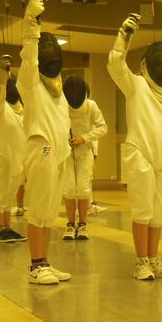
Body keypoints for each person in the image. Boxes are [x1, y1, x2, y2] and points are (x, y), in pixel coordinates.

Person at [107, 16, 162, 280]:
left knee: (159, 214)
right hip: (139, 153)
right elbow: (115, 66)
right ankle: (140, 262)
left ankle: (154, 260)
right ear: (148, 65)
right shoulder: (137, 86)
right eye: (159, 63)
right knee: (142, 211)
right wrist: (124, 36)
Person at [17, 0, 72, 285]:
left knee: (49, 212)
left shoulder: (59, 87)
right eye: (45, 52)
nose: (50, 57)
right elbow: (29, 55)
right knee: (38, 209)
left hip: (59, 152)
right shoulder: (30, 80)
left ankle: (45, 262)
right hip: (41, 148)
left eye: (53, 51)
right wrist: (31, 23)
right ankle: (36, 266)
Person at [61, 76, 107, 241]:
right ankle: (70, 224)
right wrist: (64, 139)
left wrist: (84, 138)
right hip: (66, 153)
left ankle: (82, 225)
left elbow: (103, 127)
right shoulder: (61, 105)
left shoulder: (91, 105)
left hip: (85, 152)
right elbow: (55, 126)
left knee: (82, 188)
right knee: (69, 189)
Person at [0, 55, 27, 244]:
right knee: (0, 193)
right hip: (3, 156)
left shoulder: (22, 111)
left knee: (10, 194)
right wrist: (2, 75)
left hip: (18, 159)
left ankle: (7, 227)